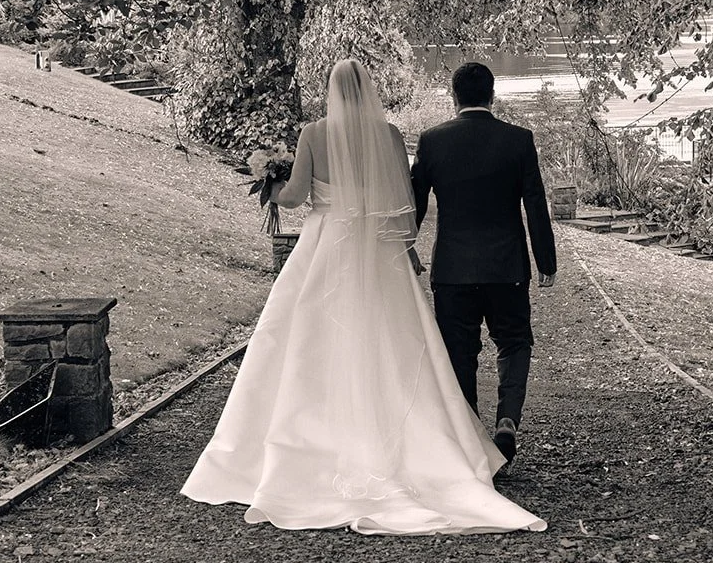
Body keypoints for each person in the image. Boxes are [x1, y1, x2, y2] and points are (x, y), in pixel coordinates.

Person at [183, 59, 545, 536]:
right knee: (393, 342)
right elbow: (404, 204)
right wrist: (406, 248)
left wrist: (272, 182)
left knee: (310, 340)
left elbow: (294, 197)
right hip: (379, 250)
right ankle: (440, 441)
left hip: (326, 247)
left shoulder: (314, 134)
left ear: (330, 91)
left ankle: (319, 443)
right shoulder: (391, 136)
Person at [411, 62, 557, 468]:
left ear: (453, 95)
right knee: (514, 341)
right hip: (506, 267)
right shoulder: (518, 140)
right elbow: (535, 204)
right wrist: (546, 260)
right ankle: (507, 419)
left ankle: (471, 431)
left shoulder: (432, 141)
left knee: (459, 351)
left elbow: (414, 203)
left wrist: (404, 247)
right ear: (492, 96)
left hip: (453, 269)